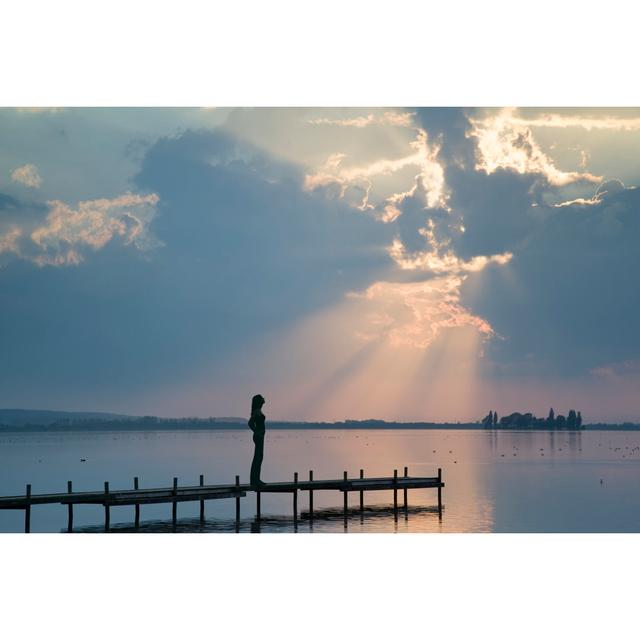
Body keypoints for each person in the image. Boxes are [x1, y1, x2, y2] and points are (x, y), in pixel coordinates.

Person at [248, 394, 267, 487]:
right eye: (261, 400)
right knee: (258, 457)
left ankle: (256, 479)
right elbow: (250, 423)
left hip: (260, 437)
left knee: (259, 457)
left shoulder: (258, 410)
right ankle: (254, 480)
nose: (263, 401)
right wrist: (257, 431)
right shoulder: (256, 412)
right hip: (258, 437)